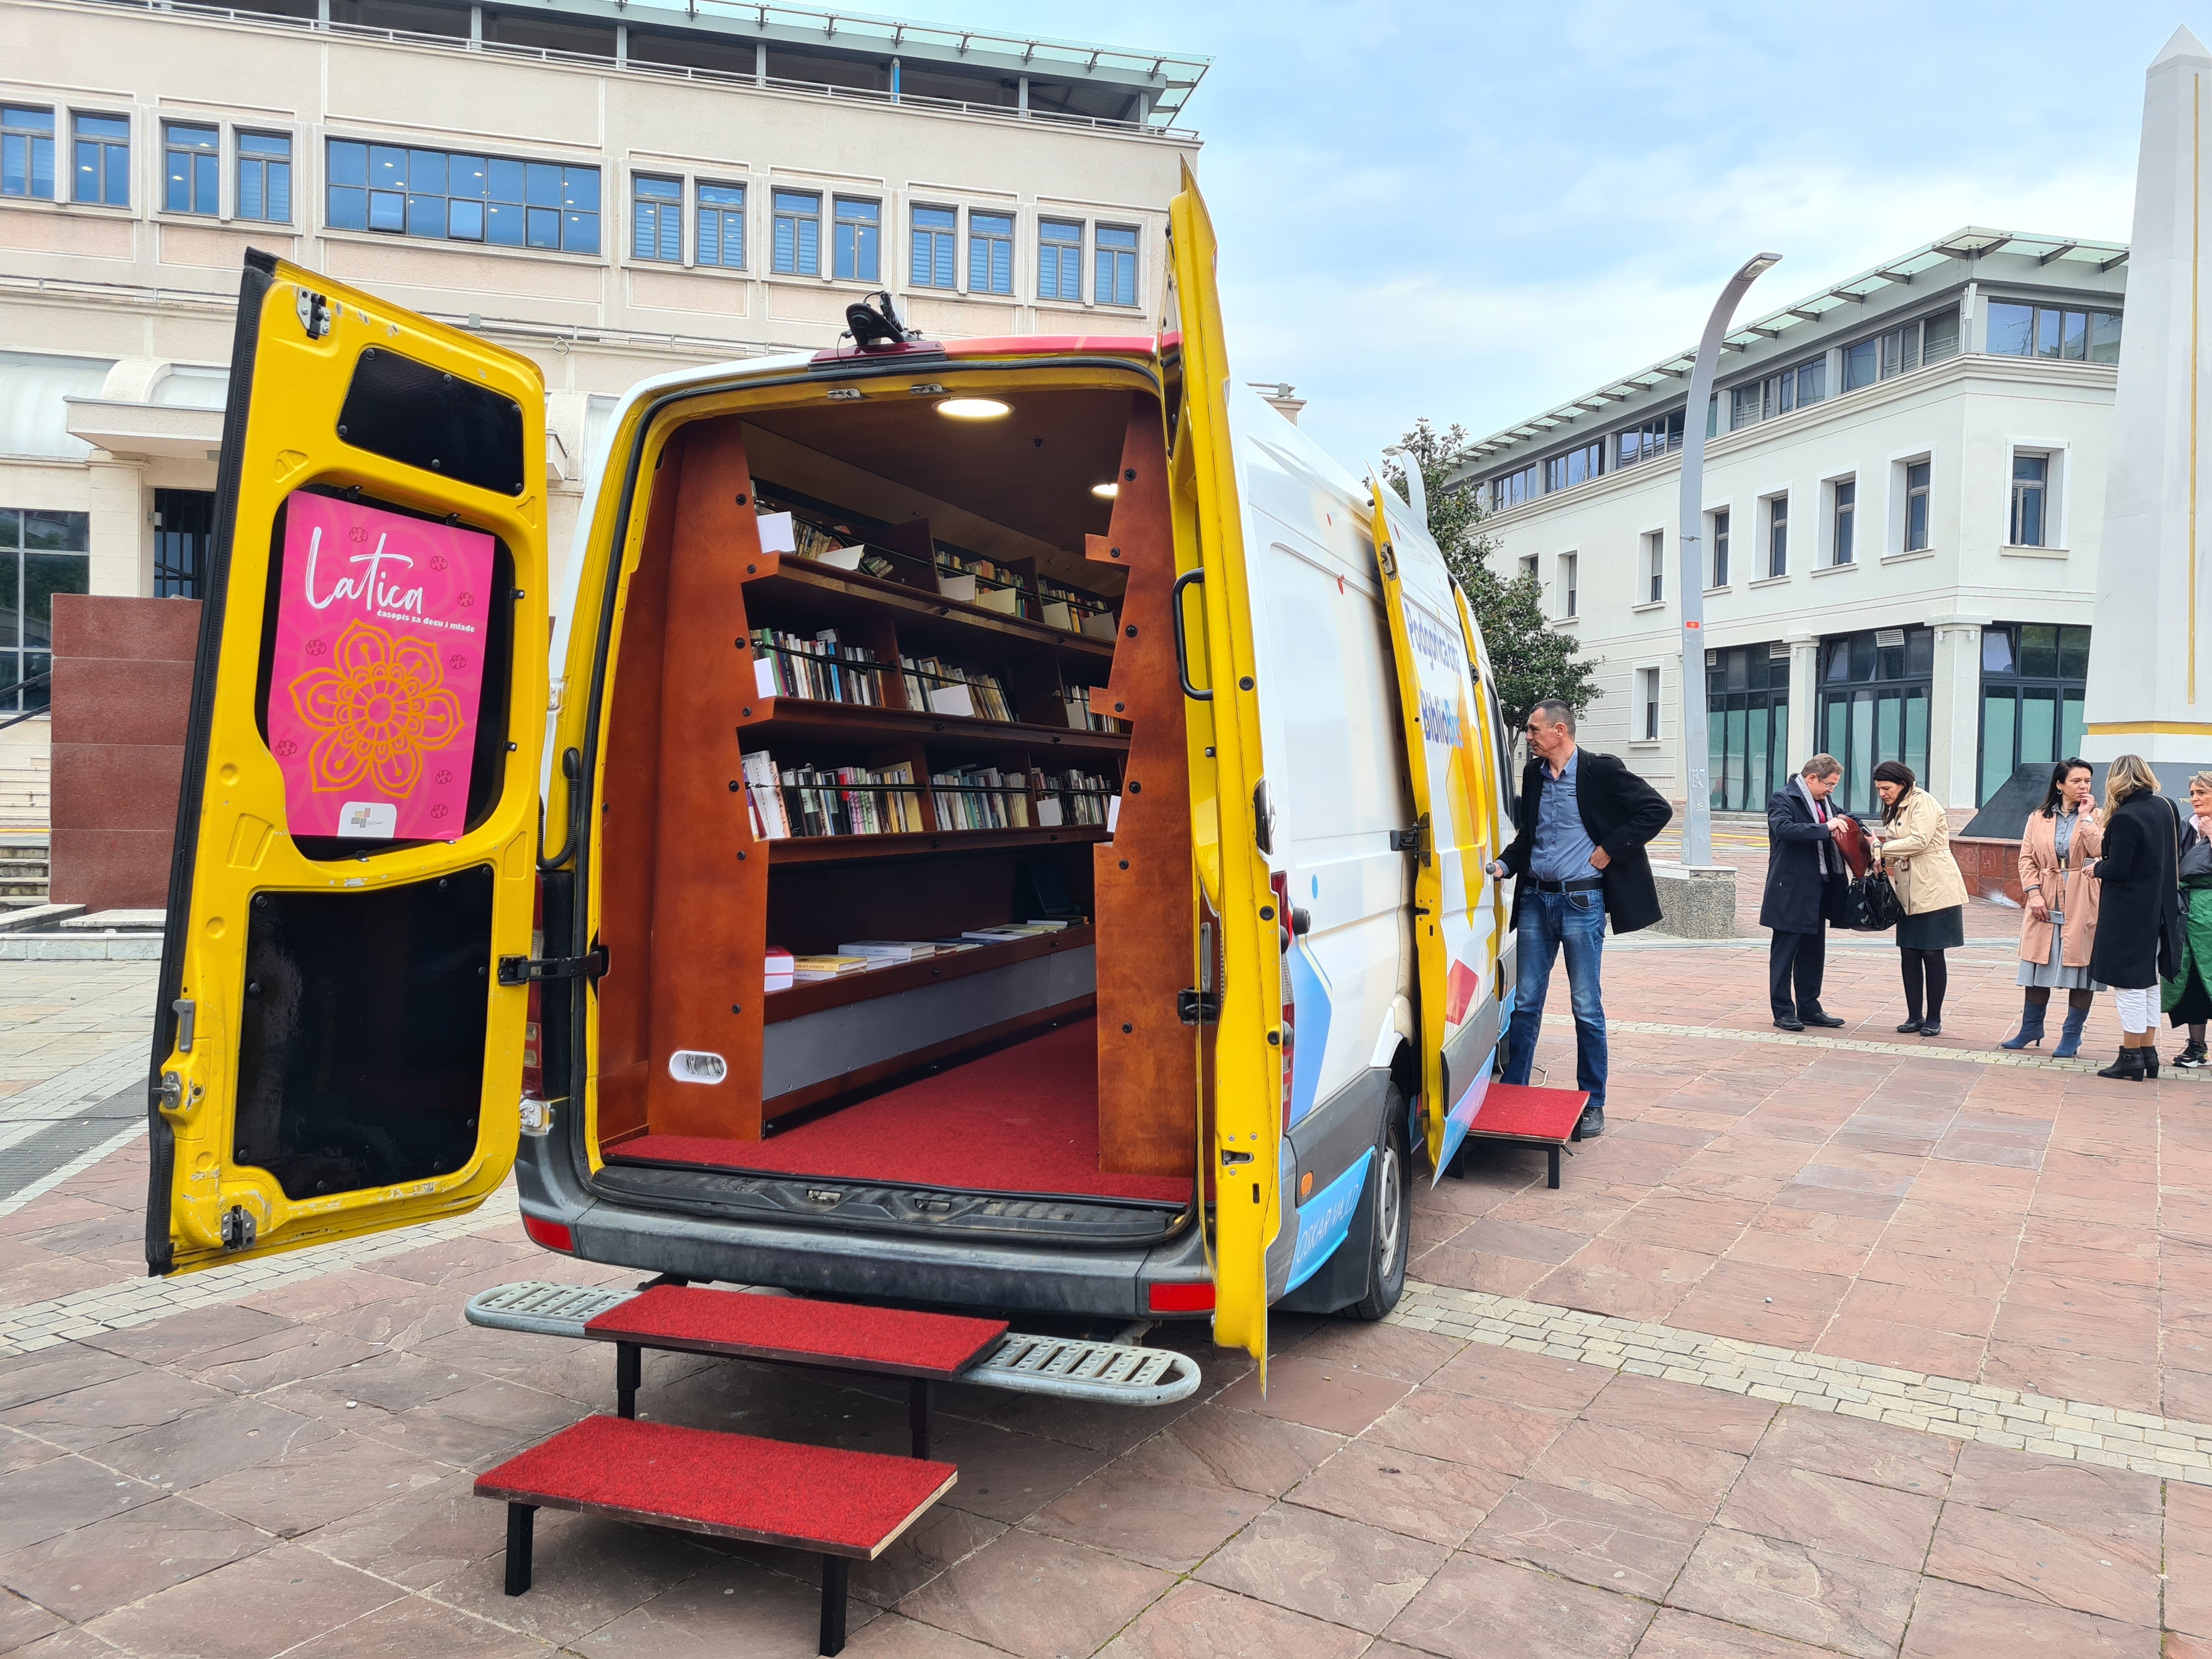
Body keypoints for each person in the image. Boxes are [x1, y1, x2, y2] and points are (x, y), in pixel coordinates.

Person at [1487, 698, 1672, 1141]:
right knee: (1526, 1002)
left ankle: (1593, 1102)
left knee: (1585, 1007)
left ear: (1560, 731)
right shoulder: (1534, 775)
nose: (1528, 737)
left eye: (1534, 730)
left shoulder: (1600, 770)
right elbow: (1530, 836)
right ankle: (1514, 1090)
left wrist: (1611, 848)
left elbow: (1657, 809)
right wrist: (1503, 866)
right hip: (1535, 899)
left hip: (1582, 903)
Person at [2086, 753, 2180, 1081]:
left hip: (2129, 912)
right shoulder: (2166, 806)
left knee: (2129, 987)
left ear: (2117, 780)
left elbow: (2119, 868)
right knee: (2151, 983)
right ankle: (2148, 1054)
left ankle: (2130, 1056)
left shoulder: (2126, 817)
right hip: (2161, 909)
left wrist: (2096, 868)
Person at [2002, 758, 2104, 1058]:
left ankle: (2072, 1035)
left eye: (2087, 781)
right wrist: (2033, 894)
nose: (2083, 786)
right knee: (2037, 962)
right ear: (2060, 785)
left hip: (2082, 892)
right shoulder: (2038, 817)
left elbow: (2102, 850)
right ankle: (2031, 1028)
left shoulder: (2098, 815)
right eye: (2076, 781)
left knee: (2081, 965)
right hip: (2045, 891)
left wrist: (2086, 818)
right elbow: (2026, 858)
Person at [1870, 760, 1967, 1036]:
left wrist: (1880, 849)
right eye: (1879, 789)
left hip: (1935, 886)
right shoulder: (1897, 805)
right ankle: (1914, 1016)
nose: (1883, 794)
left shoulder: (1922, 801)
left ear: (1902, 784)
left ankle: (1934, 1018)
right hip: (1908, 888)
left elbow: (1919, 840)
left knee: (1932, 952)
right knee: (1909, 952)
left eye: (1886, 788)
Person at [1761, 754, 1857, 1031]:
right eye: (1829, 784)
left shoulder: (1825, 802)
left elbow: (1846, 816)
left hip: (1820, 888)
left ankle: (1810, 1008)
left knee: (1814, 952)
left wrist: (1864, 830)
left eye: (1835, 785)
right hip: (1791, 888)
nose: (1831, 790)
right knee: (1785, 952)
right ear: (1812, 778)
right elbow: (1784, 829)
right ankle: (1783, 1011)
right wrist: (1825, 828)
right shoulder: (1783, 799)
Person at [2163, 770, 2212, 1068]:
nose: (2195, 799)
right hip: (2186, 912)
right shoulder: (2185, 827)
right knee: (2191, 978)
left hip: (2209, 912)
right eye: (2192, 793)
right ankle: (2197, 1046)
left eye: (2202, 793)